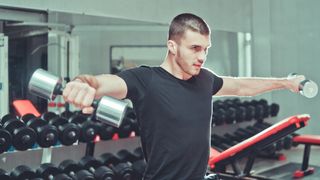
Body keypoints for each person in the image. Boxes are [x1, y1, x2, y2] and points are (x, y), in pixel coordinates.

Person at [63, 13, 304, 180]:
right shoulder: (145, 80)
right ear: (172, 46)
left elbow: (241, 86)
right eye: (195, 48)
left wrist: (285, 82)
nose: (202, 56)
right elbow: (99, 82)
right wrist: (81, 83)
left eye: (206, 49)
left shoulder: (205, 80)